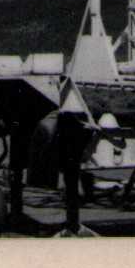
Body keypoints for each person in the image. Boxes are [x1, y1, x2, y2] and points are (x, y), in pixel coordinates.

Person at [49, 86, 98, 231]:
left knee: (71, 172)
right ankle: (73, 219)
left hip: (73, 116)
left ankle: (73, 221)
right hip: (75, 115)